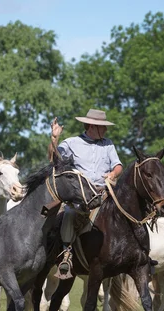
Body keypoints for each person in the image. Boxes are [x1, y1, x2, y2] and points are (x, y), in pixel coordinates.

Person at [48, 109, 123, 279]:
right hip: (81, 195)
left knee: (130, 210)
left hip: (105, 193)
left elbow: (118, 165)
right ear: (91, 126)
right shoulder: (72, 143)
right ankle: (66, 254)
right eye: (101, 127)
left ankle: (139, 252)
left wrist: (113, 174)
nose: (105, 130)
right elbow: (54, 160)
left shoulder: (108, 144)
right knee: (69, 213)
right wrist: (54, 138)